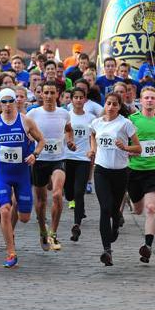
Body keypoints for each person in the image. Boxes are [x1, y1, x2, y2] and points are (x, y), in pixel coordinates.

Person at [0, 88, 44, 268]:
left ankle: (12, 226)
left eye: (9, 101)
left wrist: (35, 155)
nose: (6, 105)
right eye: (3, 102)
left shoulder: (26, 121)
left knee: (24, 217)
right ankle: (11, 252)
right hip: (3, 174)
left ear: (16, 102)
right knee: (5, 210)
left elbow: (42, 140)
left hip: (22, 175)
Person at [89, 93, 140, 265]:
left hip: (120, 172)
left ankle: (117, 220)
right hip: (101, 170)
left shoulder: (125, 124)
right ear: (105, 104)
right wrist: (93, 150)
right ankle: (107, 250)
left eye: (114, 104)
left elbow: (138, 148)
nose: (111, 107)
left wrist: (125, 147)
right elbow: (92, 135)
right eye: (108, 103)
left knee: (114, 209)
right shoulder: (96, 123)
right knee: (105, 208)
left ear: (119, 107)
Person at [27, 81, 75, 252]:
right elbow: (26, 131)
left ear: (58, 94)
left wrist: (70, 141)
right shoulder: (33, 113)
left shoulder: (64, 114)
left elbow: (69, 129)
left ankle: (53, 232)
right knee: (40, 202)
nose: (48, 96)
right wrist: (30, 140)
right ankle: (42, 229)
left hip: (58, 159)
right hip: (39, 160)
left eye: (51, 93)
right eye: (45, 92)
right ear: (41, 94)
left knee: (56, 194)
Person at [127, 87, 155, 264]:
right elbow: (125, 141)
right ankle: (129, 199)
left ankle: (147, 246)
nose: (149, 101)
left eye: (153, 98)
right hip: (134, 169)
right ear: (140, 100)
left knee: (151, 208)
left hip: (154, 169)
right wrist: (129, 151)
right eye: (146, 98)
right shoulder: (132, 120)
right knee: (137, 209)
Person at [64, 87, 94, 242]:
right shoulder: (66, 116)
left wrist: (92, 152)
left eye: (81, 97)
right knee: (68, 193)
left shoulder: (90, 118)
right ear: (71, 99)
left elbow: (93, 138)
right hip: (67, 157)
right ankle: (76, 206)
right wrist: (68, 142)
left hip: (83, 158)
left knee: (78, 192)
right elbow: (63, 133)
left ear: (85, 99)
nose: (78, 100)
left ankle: (76, 225)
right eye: (75, 97)